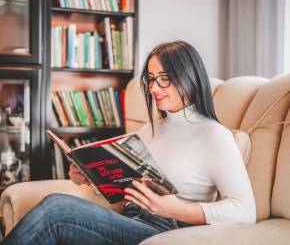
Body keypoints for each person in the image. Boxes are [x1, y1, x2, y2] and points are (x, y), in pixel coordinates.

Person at [2, 41, 256, 245]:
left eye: (164, 78)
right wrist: (89, 176)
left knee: (56, 209)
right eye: (151, 79)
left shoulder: (213, 135)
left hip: (166, 231)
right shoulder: (151, 129)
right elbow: (122, 184)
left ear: (188, 77)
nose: (154, 88)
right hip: (128, 219)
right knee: (58, 210)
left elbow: (245, 211)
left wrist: (175, 209)